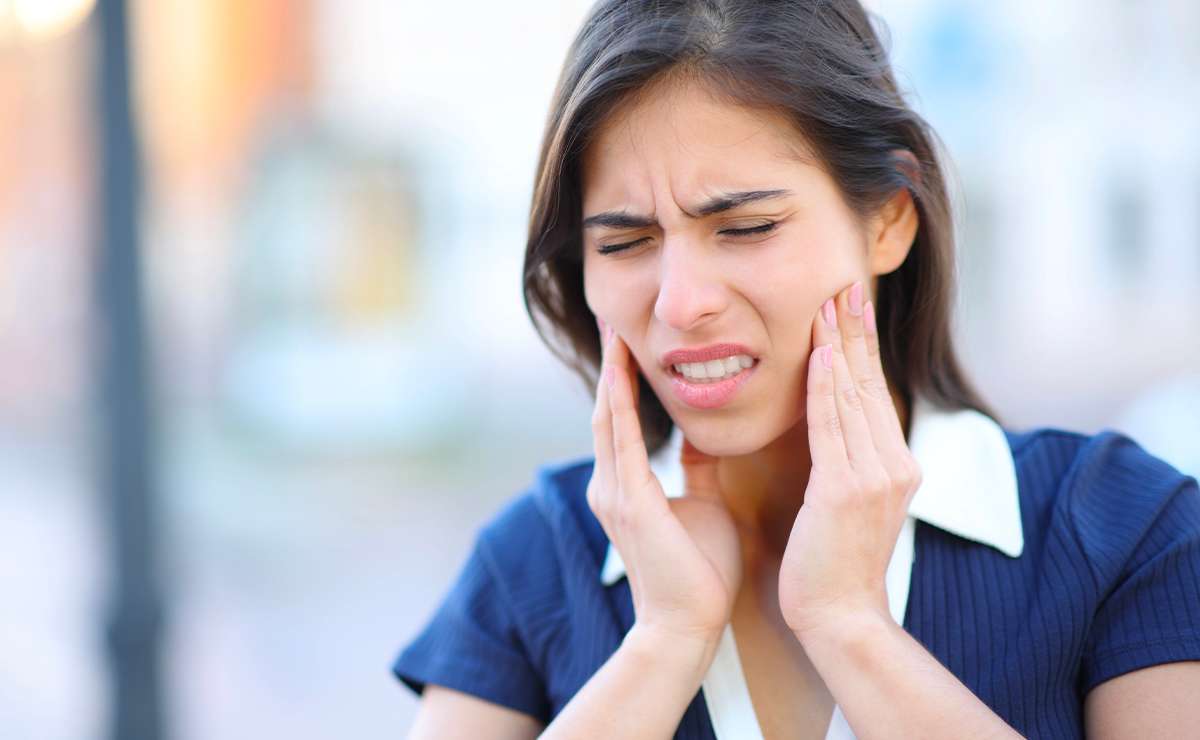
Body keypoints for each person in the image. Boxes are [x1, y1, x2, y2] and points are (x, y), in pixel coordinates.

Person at [393, 1, 1200, 737]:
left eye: (746, 227)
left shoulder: (1129, 533)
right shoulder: (533, 561)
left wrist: (850, 624)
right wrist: (663, 644)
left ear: (888, 221)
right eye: (625, 243)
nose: (681, 303)